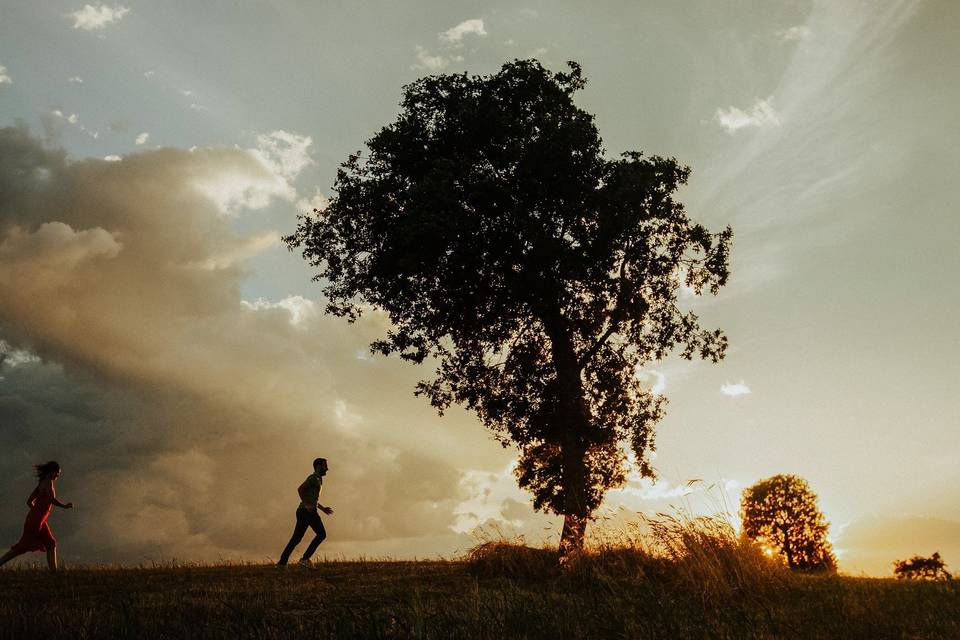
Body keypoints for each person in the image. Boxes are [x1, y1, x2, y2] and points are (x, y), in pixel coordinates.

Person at [0, 461, 74, 571]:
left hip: (38, 519)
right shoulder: (48, 482)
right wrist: (65, 506)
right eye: (57, 473)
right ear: (52, 471)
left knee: (51, 543)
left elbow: (29, 502)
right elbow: (51, 500)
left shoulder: (42, 483)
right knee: (21, 547)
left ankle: (54, 572)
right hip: (36, 520)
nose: (58, 475)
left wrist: (37, 512)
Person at [277, 457, 333, 567]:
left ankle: (282, 563)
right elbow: (300, 489)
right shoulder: (313, 478)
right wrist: (307, 505)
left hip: (302, 511)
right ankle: (305, 559)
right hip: (307, 512)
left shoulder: (319, 479)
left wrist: (323, 509)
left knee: (296, 539)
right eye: (325, 466)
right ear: (318, 466)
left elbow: (313, 498)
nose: (327, 468)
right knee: (321, 534)